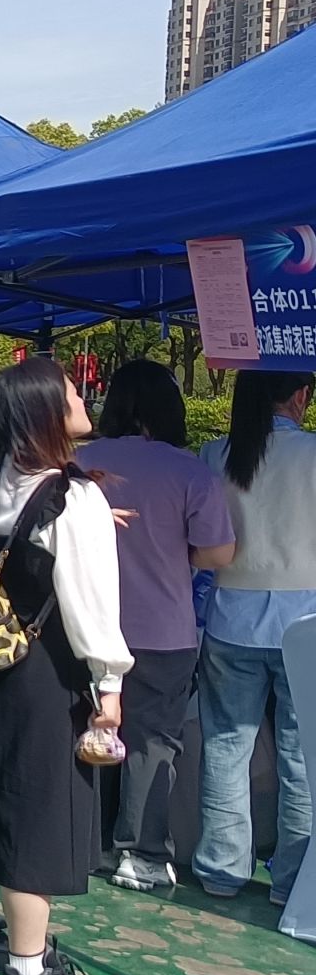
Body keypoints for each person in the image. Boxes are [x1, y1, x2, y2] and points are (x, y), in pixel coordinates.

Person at [0, 358, 129, 975]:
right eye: (73, 392)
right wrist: (109, 688)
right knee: (35, 811)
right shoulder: (75, 499)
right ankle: (26, 970)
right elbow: (91, 606)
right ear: (47, 410)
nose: (82, 398)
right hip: (45, 675)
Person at [74, 362, 236, 894]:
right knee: (152, 743)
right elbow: (217, 553)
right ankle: (140, 855)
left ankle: (87, 845)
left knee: (90, 732)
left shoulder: (78, 463)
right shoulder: (188, 470)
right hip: (163, 630)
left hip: (84, 627)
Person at [195, 369, 316, 904]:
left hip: (231, 618)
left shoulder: (214, 454)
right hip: (306, 623)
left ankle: (221, 870)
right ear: (300, 395)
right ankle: (293, 881)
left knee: (226, 746)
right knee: (302, 758)